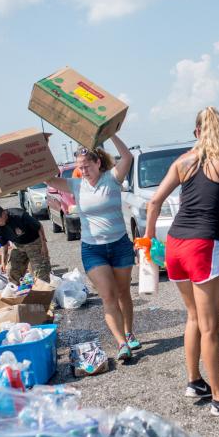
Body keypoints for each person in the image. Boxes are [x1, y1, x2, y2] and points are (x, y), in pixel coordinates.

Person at [145, 106, 219, 416]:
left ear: (196, 133)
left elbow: (154, 202)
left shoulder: (183, 162)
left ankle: (195, 381)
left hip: (175, 246)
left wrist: (148, 241)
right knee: (210, 327)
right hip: (202, 247)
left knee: (193, 317)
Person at [45, 135, 138, 362]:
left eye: (87, 166)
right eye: (80, 167)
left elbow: (127, 156)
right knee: (108, 296)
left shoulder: (113, 178)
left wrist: (111, 133)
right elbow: (47, 178)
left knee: (124, 293)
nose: (84, 170)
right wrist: (43, 149)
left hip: (119, 245)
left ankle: (129, 331)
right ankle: (121, 343)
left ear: (98, 163)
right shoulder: (76, 185)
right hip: (93, 249)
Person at [0, 204, 50, 284]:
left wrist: (44, 246)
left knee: (41, 274)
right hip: (18, 245)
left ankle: (44, 293)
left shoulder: (19, 215)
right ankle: (16, 292)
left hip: (34, 243)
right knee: (11, 271)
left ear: (3, 214)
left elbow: (39, 226)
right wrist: (3, 262)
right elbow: (4, 245)